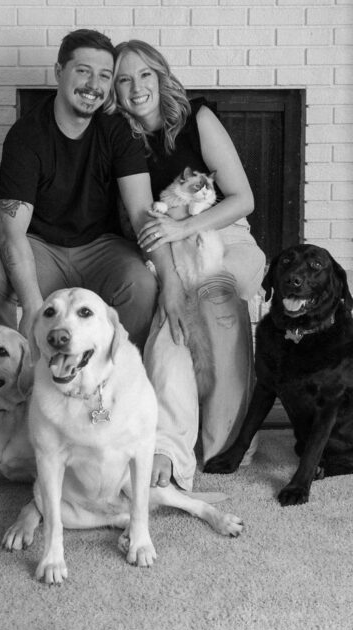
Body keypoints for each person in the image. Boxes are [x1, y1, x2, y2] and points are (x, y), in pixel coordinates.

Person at [113, 40, 267, 491]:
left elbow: (243, 199)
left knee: (213, 292)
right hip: (167, 249)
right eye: (124, 79)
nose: (136, 87)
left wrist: (185, 227)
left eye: (144, 75)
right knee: (174, 315)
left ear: (160, 76)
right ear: (115, 92)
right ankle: (171, 446)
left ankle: (227, 438)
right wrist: (172, 252)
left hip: (227, 238)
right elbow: (139, 219)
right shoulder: (119, 138)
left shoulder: (197, 119)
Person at [0, 29, 185, 351]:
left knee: (141, 282)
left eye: (104, 76)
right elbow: (12, 234)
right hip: (41, 248)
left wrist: (170, 281)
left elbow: (143, 217)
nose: (93, 85)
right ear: (59, 72)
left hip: (102, 249)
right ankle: (7, 382)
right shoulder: (26, 136)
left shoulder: (117, 132)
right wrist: (31, 306)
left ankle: (116, 381)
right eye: (83, 71)